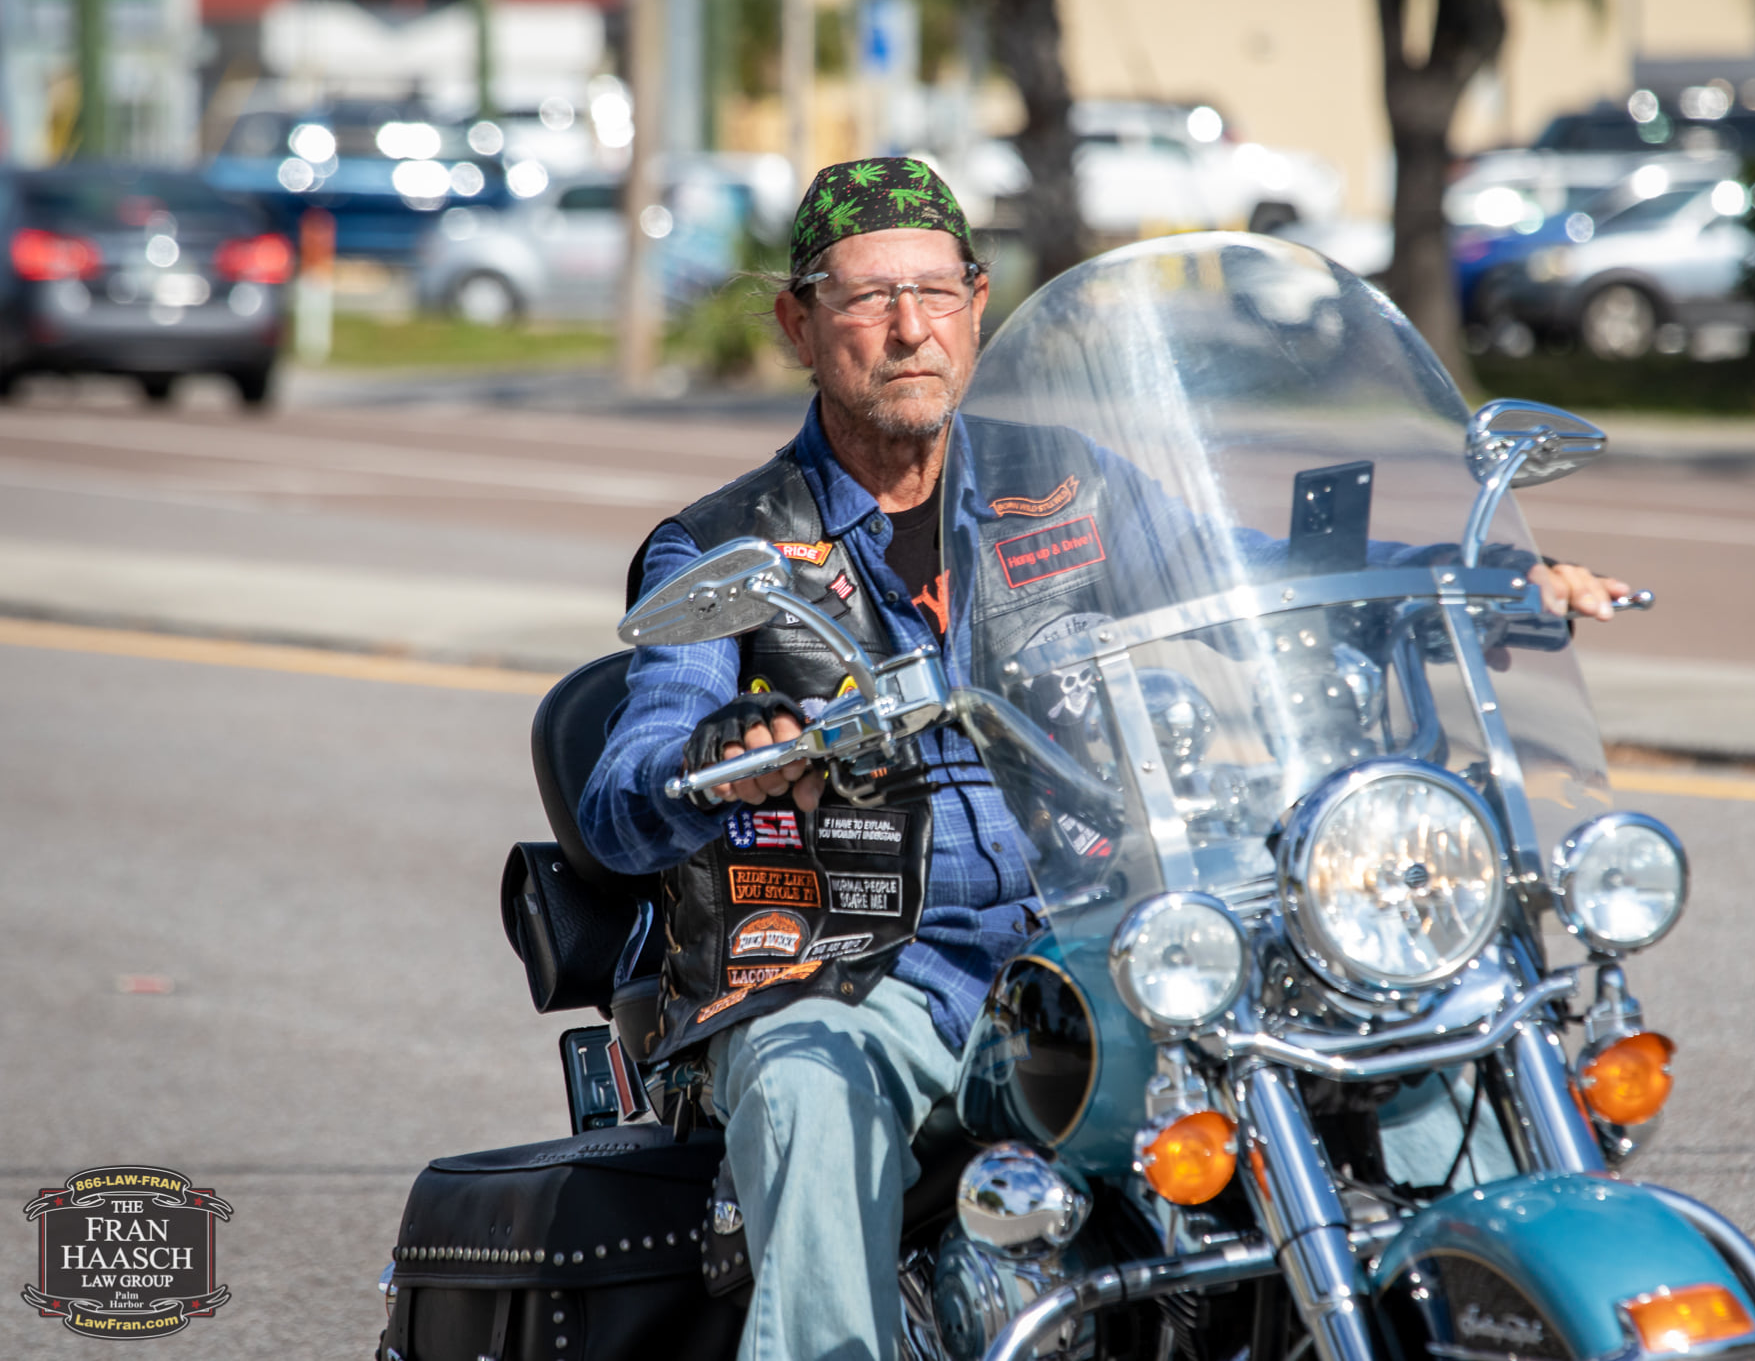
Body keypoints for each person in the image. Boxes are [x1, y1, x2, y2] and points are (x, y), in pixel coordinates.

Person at [578, 157, 1633, 1361]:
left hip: (1097, 936)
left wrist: (1472, 576)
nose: (909, 328)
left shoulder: (1063, 485)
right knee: (801, 1081)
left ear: (978, 303)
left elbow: (1250, 573)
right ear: (798, 323)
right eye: (867, 298)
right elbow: (624, 790)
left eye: (933, 291)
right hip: (873, 975)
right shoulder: (728, 546)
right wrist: (716, 755)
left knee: (1378, 1010)